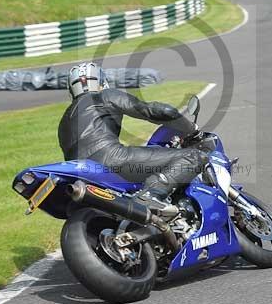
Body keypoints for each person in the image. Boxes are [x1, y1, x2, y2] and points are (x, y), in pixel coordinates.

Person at [58, 62, 207, 213]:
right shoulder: (104, 96)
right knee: (194, 156)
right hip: (112, 160)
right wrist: (191, 129)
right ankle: (150, 195)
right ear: (102, 83)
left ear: (71, 90)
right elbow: (156, 111)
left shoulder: (63, 121)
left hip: (81, 174)